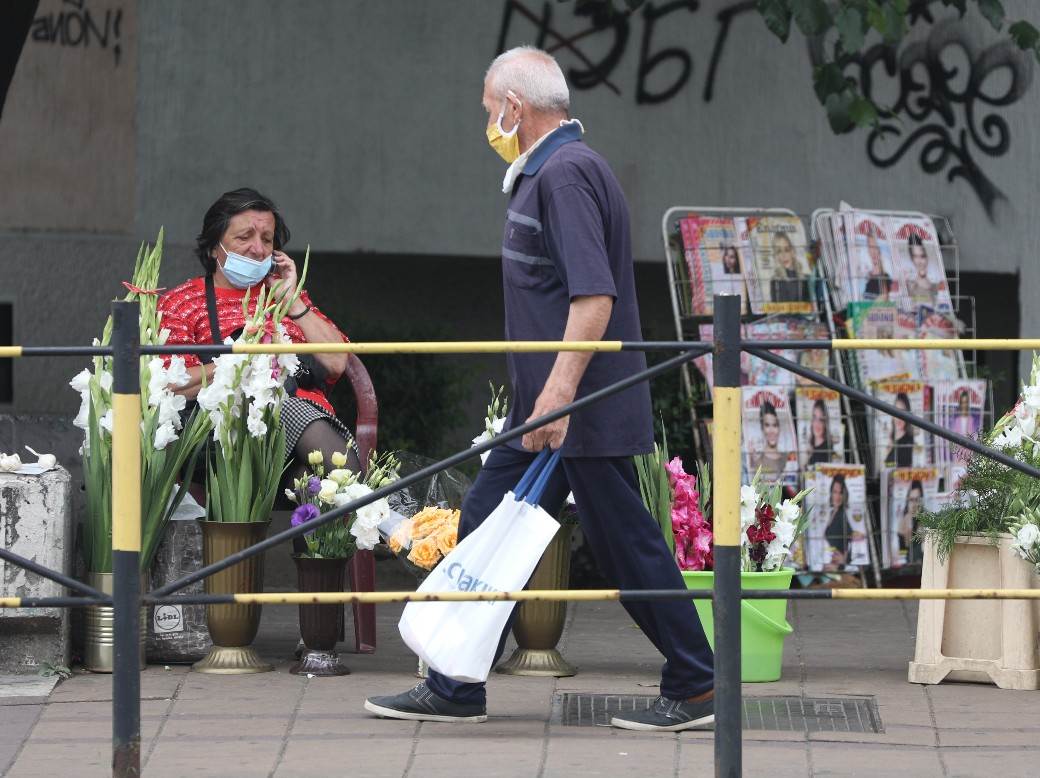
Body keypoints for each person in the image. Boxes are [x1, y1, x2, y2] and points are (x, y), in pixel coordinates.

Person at [365, 46, 714, 732]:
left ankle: (696, 683)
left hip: (581, 407)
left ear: (514, 108)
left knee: (625, 546)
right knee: (486, 521)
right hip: (549, 409)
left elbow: (593, 299)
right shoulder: (549, 171)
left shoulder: (566, 174)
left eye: (488, 110)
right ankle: (455, 683)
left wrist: (556, 398)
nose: (487, 123)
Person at [158, 188, 362, 486]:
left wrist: (293, 301)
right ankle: (368, 511)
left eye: (267, 239)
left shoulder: (288, 297)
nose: (258, 249)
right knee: (292, 416)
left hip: (300, 439)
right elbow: (170, 387)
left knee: (316, 486)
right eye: (244, 237)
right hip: (225, 433)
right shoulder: (183, 302)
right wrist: (244, 361)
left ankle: (354, 511)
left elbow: (336, 363)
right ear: (214, 247)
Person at [748, 400, 790, 484]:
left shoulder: (787, 458)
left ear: (779, 428)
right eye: (767, 425)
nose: (771, 431)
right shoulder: (755, 460)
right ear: (762, 428)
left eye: (774, 425)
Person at [768, 232, 808, 303]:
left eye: (786, 250)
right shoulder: (775, 281)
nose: (783, 255)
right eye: (779, 251)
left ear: (792, 252)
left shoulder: (805, 278)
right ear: (776, 256)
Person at [894, 479, 925, 566]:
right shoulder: (903, 521)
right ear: (907, 501)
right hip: (909, 564)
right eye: (911, 500)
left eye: (917, 499)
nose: (914, 504)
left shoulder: (926, 518)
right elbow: (903, 551)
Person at [824, 474, 849, 571]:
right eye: (835, 492)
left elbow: (851, 542)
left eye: (841, 492)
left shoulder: (844, 515)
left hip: (838, 567)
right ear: (830, 493)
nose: (838, 496)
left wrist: (844, 560)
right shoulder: (830, 513)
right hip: (828, 562)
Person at [883, 392, 916, 468]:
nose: (898, 417)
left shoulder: (908, 440)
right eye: (896, 411)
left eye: (902, 411)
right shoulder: (891, 437)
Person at [903, 234, 937, 307]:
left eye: (922, 256)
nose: (919, 262)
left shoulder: (935, 284)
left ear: (927, 257)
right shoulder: (909, 284)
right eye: (915, 256)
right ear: (912, 259)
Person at [804, 398, 834, 467]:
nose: (817, 424)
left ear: (825, 423)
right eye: (814, 418)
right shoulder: (810, 447)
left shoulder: (827, 450)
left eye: (821, 420)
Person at [861, 231, 891, 301]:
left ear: (880, 249)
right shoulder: (867, 276)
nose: (873, 251)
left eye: (875, 247)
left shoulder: (885, 277)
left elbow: (884, 299)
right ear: (868, 250)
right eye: (870, 247)